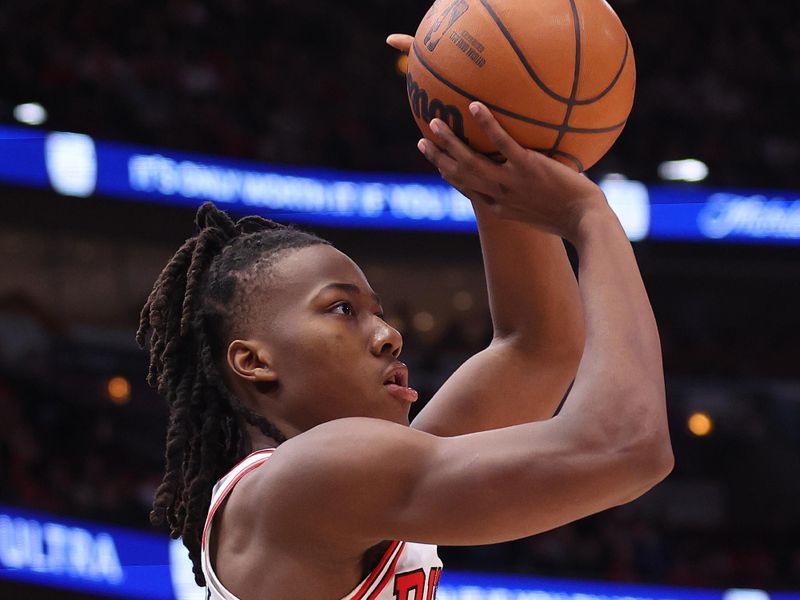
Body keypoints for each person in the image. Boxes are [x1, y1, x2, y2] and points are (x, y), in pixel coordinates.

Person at [137, 36, 673, 600]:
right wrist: (589, 217)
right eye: (342, 309)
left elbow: (541, 346)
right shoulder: (313, 477)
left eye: (379, 313)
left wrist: (494, 150)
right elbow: (627, 447)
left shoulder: (350, 486)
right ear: (254, 360)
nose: (390, 336)